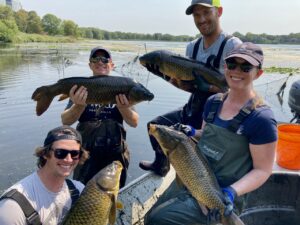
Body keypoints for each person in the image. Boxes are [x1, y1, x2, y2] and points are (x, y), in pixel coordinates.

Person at [144, 42, 278, 225]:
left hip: (222, 194)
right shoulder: (213, 102)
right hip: (194, 177)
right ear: (225, 67)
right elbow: (206, 136)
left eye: (246, 67)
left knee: (158, 220)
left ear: (258, 73)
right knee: (149, 218)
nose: (237, 71)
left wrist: (231, 192)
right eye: (232, 65)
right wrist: (191, 131)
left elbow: (263, 170)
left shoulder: (262, 119)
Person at [139, 0, 242, 176]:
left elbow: (240, 92)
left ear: (219, 12)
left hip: (220, 116)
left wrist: (209, 87)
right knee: (155, 126)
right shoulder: (192, 47)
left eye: (206, 12)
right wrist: (170, 79)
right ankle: (161, 164)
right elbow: (191, 88)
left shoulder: (233, 46)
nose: (201, 19)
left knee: (202, 156)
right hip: (194, 107)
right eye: (196, 14)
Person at [61, 46, 139, 188]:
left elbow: (134, 122)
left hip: (115, 152)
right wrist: (79, 105)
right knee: (82, 191)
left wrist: (123, 107)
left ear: (112, 65)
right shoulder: (82, 87)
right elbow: (66, 121)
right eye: (95, 59)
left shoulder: (121, 86)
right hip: (86, 153)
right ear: (90, 65)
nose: (100, 62)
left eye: (105, 59)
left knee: (114, 192)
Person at [0, 125, 88, 225]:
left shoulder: (79, 190)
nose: (68, 159)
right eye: (60, 153)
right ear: (45, 154)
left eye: (74, 154)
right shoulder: (12, 207)